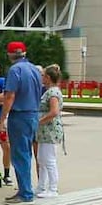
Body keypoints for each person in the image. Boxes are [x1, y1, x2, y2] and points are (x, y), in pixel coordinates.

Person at [0, 41, 43, 204]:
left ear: (10, 54)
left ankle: (25, 192)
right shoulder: (35, 70)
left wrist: (2, 119)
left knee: (19, 155)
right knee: (27, 153)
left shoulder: (15, 70)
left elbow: (10, 96)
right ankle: (26, 189)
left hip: (19, 115)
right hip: (33, 114)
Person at [36, 64, 65, 197]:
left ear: (48, 77)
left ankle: (53, 188)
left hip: (50, 130)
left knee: (49, 159)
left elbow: (54, 111)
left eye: (43, 76)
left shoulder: (53, 92)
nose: (41, 78)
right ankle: (41, 186)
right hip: (44, 131)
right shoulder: (49, 91)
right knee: (41, 158)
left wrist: (39, 121)